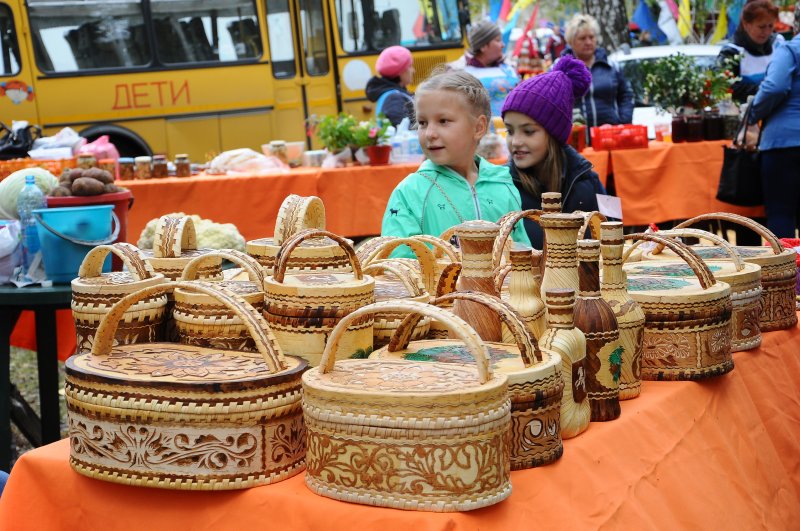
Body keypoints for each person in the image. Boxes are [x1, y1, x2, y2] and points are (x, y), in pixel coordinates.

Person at [381, 69, 529, 253]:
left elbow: (522, 253)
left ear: (478, 127)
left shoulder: (502, 184)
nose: (430, 133)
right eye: (422, 122)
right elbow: (397, 263)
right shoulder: (410, 193)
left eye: (443, 121)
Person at [502, 55, 607, 248]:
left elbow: (615, 237)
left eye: (528, 131)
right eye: (510, 130)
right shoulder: (502, 188)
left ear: (554, 134)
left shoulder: (590, 183)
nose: (515, 141)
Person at [749, 31, 800, 238]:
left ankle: (785, 270)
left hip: (784, 144)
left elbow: (774, 88)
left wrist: (753, 113)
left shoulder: (790, 49)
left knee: (781, 212)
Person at [563, 14, 634, 131]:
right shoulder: (561, 69)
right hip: (576, 141)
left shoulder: (611, 66)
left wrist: (624, 122)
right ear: (571, 41)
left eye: (591, 37)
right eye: (582, 38)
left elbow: (626, 95)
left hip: (610, 137)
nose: (588, 42)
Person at [449, 20, 520, 118]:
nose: (502, 45)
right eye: (498, 40)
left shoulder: (509, 68)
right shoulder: (458, 72)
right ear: (483, 46)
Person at [717, 0, 782, 104]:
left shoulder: (778, 43)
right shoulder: (731, 52)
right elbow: (723, 86)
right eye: (761, 27)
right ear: (746, 25)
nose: (767, 32)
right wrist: (765, 89)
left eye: (770, 26)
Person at [365, 46, 415, 127]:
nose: (413, 70)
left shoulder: (392, 94)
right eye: (409, 66)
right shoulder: (394, 98)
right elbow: (401, 132)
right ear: (400, 71)